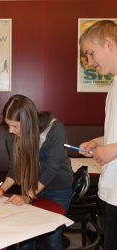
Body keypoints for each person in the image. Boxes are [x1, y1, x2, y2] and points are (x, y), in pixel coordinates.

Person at [0, 95, 73, 250]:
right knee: (26, 237)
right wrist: (1, 189)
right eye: (8, 125)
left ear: (28, 122)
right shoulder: (12, 136)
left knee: (52, 237)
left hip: (57, 189)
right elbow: (15, 168)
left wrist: (28, 196)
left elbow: (53, 167)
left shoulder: (55, 128)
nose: (10, 131)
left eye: (15, 126)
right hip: (30, 186)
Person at [79, 20, 117, 250]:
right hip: (109, 190)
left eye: (91, 54)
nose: (90, 62)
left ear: (110, 43)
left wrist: (112, 149)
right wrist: (98, 141)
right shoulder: (113, 85)